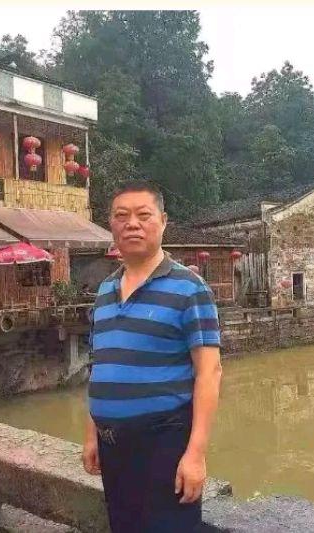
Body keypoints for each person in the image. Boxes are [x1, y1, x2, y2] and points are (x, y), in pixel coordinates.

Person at [82, 181, 223, 533]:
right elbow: (101, 365)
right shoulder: (105, 290)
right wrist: (92, 433)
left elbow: (209, 372)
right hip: (113, 446)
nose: (132, 224)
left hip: (164, 442)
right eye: (121, 216)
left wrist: (195, 453)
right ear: (111, 225)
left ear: (163, 221)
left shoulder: (189, 288)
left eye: (143, 215)